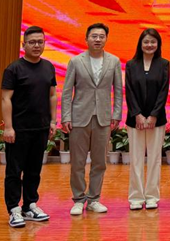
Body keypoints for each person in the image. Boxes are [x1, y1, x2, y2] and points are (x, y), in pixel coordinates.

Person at [61, 23, 122, 216]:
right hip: (79, 117)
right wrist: (66, 116)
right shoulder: (76, 61)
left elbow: (118, 90)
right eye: (94, 36)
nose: (97, 39)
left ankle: (94, 199)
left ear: (106, 39)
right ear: (86, 39)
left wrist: (116, 114)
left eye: (101, 36)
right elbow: (67, 92)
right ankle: (78, 199)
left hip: (103, 118)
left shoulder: (114, 61)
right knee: (77, 162)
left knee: (99, 162)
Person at [1, 25, 57, 228]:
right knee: (14, 171)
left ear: (44, 44)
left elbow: (52, 95)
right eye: (32, 42)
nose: (36, 45)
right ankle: (14, 209)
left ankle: (30, 205)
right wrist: (8, 127)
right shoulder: (14, 69)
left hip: (40, 128)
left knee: (34, 170)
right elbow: (6, 99)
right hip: (19, 129)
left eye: (40, 42)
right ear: (23, 44)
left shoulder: (48, 67)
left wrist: (52, 121)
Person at [124, 29, 169, 210]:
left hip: (156, 120)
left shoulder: (164, 64)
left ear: (158, 44)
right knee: (135, 159)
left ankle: (151, 196)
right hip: (135, 120)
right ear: (140, 44)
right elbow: (129, 91)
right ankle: (136, 197)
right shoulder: (131, 64)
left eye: (153, 42)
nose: (149, 45)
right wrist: (137, 114)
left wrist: (153, 115)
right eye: (146, 42)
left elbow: (163, 92)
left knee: (154, 159)